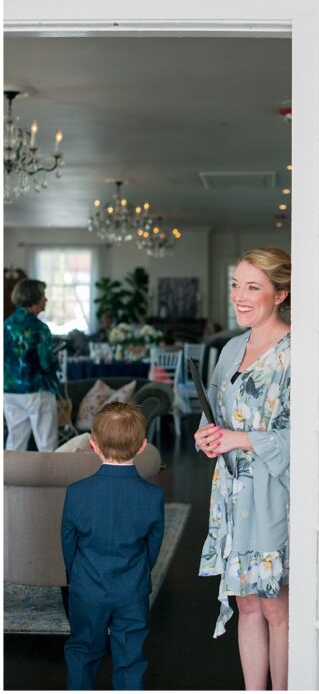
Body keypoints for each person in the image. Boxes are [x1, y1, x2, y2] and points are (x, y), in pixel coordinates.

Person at [194, 247, 291, 690]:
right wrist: (206, 435)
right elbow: (214, 411)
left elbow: (308, 437)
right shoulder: (232, 348)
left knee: (276, 609)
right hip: (232, 495)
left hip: (276, 497)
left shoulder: (298, 353)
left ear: (281, 294)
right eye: (236, 285)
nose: (240, 295)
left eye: (253, 287)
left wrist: (241, 438)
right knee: (247, 604)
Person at [61, 401, 164, 690]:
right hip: (132, 589)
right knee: (130, 658)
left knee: (83, 651)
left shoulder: (77, 493)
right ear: (142, 446)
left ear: (93, 445)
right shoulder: (153, 496)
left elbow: (68, 544)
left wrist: (76, 577)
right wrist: (140, 572)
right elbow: (153, 546)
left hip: (87, 588)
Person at [4, 278, 61, 451]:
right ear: (33, 298)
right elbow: (46, 363)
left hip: (9, 390)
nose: (46, 299)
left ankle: (9, 478)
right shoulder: (39, 328)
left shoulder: (7, 323)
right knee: (47, 444)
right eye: (43, 295)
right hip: (36, 390)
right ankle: (50, 479)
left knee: (15, 442)